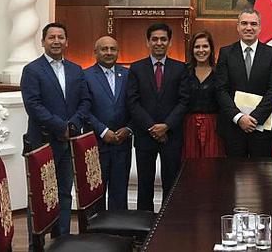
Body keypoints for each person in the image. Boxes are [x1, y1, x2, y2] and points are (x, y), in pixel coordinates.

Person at [21, 22, 90, 236]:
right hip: (42, 142)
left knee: (64, 193)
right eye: (51, 37)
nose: (56, 41)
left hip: (68, 142)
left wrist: (73, 125)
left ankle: (62, 240)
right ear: (43, 42)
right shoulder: (32, 70)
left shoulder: (76, 69)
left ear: (67, 42)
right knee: (40, 196)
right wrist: (61, 127)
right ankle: (37, 243)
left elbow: (85, 101)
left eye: (61, 37)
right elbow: (33, 105)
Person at [126, 23, 189, 211]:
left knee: (171, 185)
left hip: (172, 136)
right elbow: (133, 102)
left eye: (163, 39)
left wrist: (166, 126)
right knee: (144, 186)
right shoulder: (136, 68)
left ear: (170, 43)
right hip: (145, 136)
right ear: (147, 42)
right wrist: (152, 127)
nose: (159, 43)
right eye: (154, 39)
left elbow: (184, 101)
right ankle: (143, 232)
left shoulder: (180, 68)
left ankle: (167, 228)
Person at [215, 8, 272, 157]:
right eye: (244, 23)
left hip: (262, 127)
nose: (249, 28)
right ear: (238, 27)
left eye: (253, 24)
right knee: (234, 175)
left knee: (263, 176)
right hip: (233, 127)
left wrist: (255, 118)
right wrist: (239, 118)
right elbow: (220, 89)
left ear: (260, 27)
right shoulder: (226, 53)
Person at [84, 36, 132, 210]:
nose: (109, 53)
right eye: (104, 49)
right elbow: (84, 109)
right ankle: (96, 233)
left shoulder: (128, 74)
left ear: (118, 52)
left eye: (113, 49)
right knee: (96, 191)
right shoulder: (85, 76)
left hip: (123, 142)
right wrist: (103, 131)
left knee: (120, 192)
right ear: (95, 52)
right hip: (97, 143)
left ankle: (119, 232)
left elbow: (136, 105)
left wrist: (128, 128)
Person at [183, 31, 225, 158]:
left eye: (205, 46)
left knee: (212, 166)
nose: (201, 50)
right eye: (197, 47)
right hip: (188, 125)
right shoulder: (184, 71)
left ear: (211, 49)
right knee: (190, 166)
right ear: (192, 50)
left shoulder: (220, 72)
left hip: (214, 126)